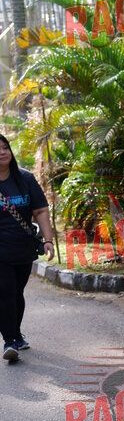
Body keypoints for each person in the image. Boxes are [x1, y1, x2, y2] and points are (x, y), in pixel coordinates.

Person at [0, 134, 54, 362]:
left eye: (5, 147)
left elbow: (40, 210)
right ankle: (9, 341)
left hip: (23, 247)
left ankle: (16, 333)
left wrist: (48, 240)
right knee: (5, 291)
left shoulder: (25, 179)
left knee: (17, 292)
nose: (2, 152)